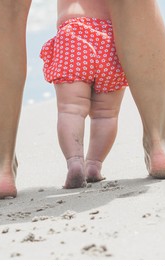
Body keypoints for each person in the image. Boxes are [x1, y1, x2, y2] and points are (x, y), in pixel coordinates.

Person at [0, 0, 165, 201]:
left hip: (72, 43)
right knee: (106, 114)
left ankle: (1, 170)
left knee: (70, 110)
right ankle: (157, 145)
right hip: (107, 42)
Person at [39, 2, 128, 189]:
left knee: (71, 111)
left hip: (73, 36)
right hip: (112, 37)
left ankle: (75, 162)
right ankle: (94, 165)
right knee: (106, 114)